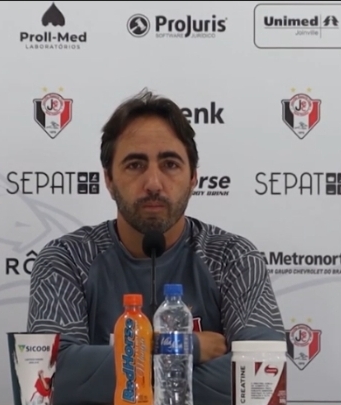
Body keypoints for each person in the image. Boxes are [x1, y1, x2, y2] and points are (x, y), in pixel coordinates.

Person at [27, 89, 285, 405]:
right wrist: (187, 347)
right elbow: (54, 379)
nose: (153, 183)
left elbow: (263, 380)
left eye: (170, 164)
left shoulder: (233, 258)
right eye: (135, 165)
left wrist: (113, 370)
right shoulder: (66, 259)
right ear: (109, 179)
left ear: (193, 177)